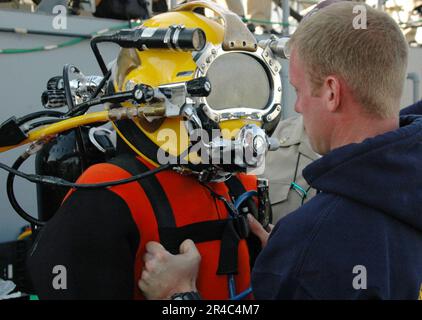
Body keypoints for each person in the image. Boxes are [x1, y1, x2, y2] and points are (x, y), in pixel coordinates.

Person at [138, 2, 422, 300]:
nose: (297, 107)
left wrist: (179, 296)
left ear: (331, 93)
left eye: (298, 91)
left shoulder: (313, 240)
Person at [26, 4, 281, 299]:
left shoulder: (240, 189)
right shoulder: (109, 196)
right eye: (222, 90)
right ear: (153, 100)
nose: (241, 118)